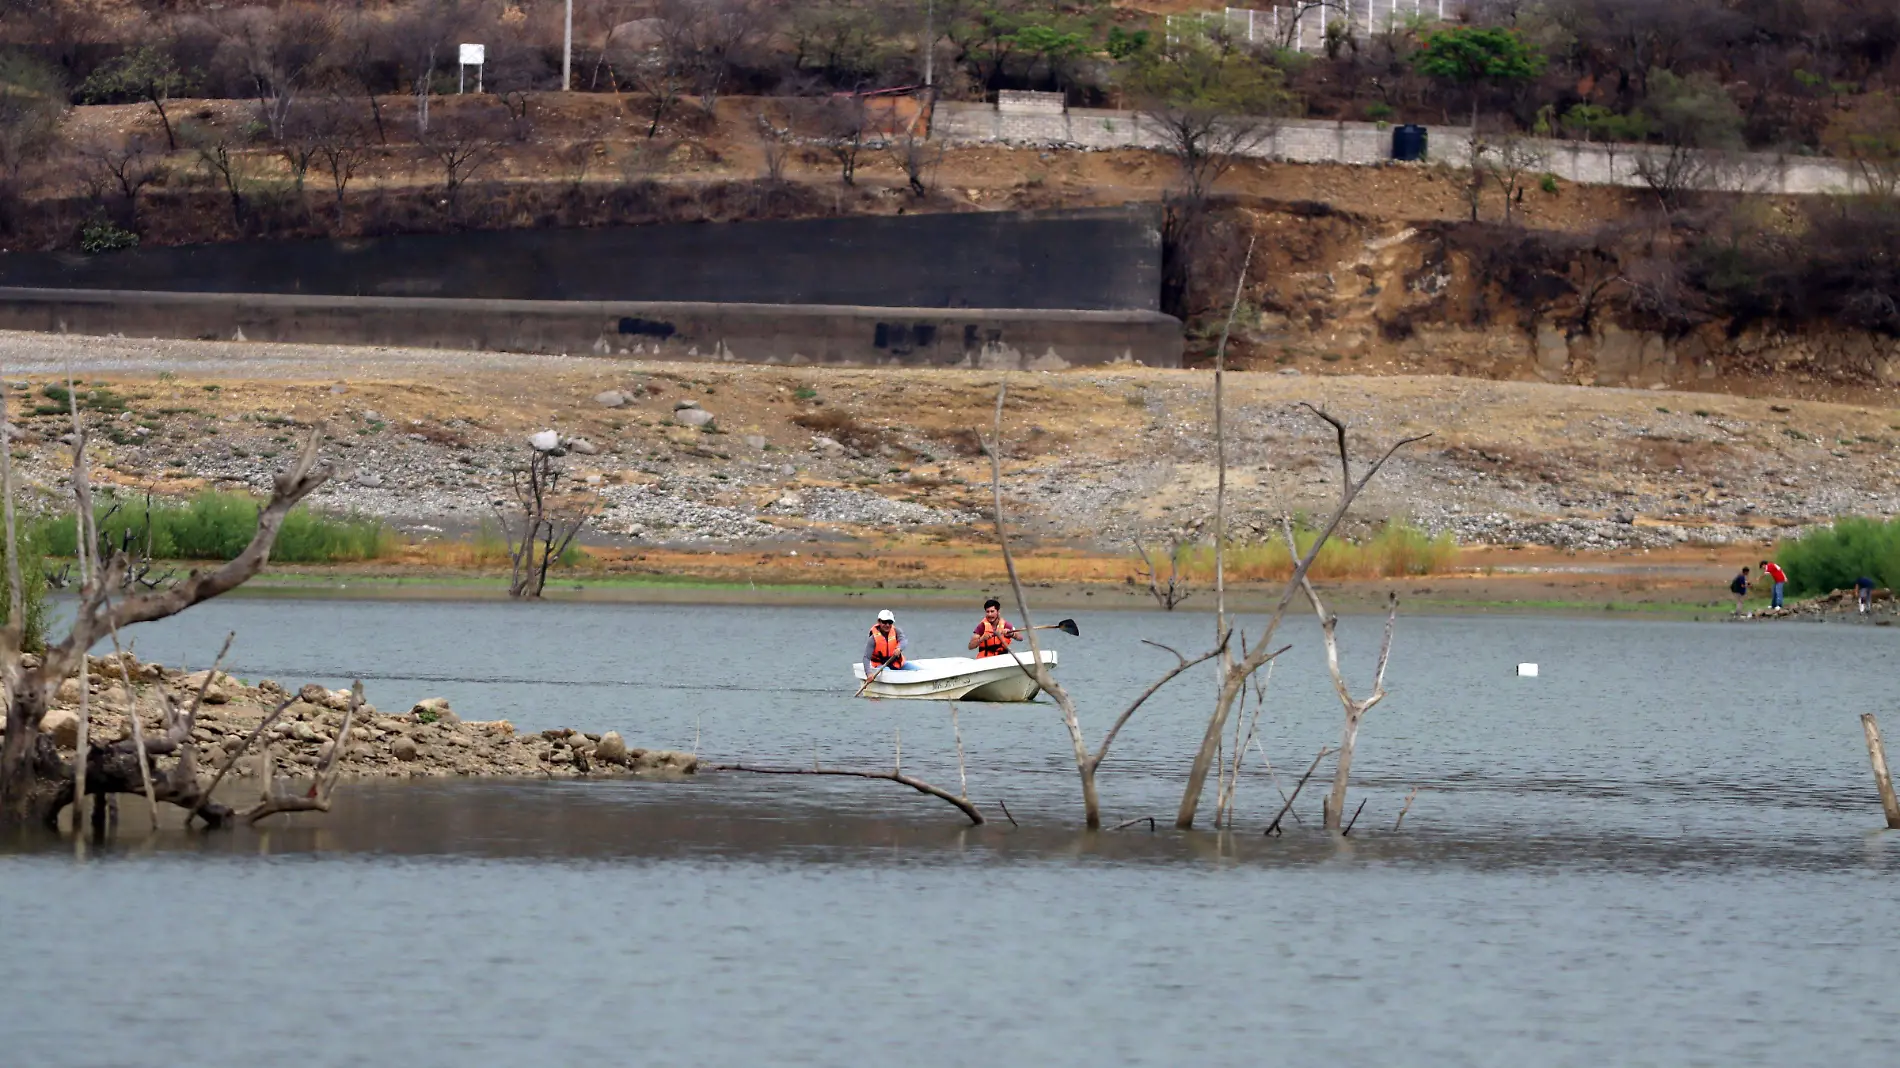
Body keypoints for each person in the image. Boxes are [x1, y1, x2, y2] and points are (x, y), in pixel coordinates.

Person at [862, 610, 916, 676]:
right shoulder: (873, 639)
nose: (887, 625)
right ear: (879, 621)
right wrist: (869, 674)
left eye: (890, 622)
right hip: (881, 665)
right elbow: (866, 658)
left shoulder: (896, 631)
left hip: (897, 663)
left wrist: (899, 648)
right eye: (884, 622)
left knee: (919, 671)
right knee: (889, 674)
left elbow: (903, 641)